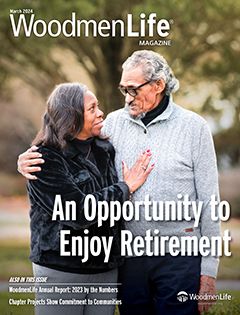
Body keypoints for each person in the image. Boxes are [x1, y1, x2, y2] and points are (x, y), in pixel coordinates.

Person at [18, 50, 220, 315]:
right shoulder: (112, 124)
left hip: (179, 257)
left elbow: (210, 201)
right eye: (123, 89)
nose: (126, 98)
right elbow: (64, 139)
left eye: (133, 89)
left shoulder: (195, 128)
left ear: (158, 85)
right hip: (128, 257)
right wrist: (26, 159)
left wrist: (209, 271)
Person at [20, 82, 153, 315]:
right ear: (71, 117)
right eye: (92, 108)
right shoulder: (44, 159)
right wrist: (126, 187)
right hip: (61, 268)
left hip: (105, 268)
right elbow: (77, 212)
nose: (101, 112)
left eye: (98, 106)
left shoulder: (104, 149)